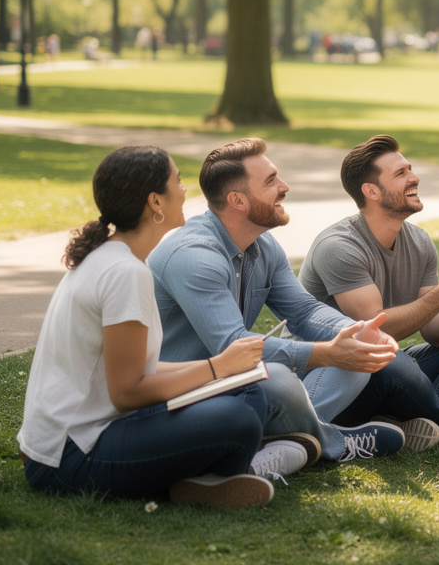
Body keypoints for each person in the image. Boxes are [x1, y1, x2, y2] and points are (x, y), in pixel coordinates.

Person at [19, 146, 301, 508]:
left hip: (89, 434)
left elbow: (136, 371)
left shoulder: (113, 257)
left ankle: (208, 479)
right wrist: (216, 368)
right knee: (239, 416)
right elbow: (128, 391)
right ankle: (222, 477)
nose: (185, 191)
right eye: (178, 181)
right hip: (69, 458)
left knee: (244, 392)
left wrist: (227, 369)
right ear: (155, 202)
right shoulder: (125, 272)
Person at [148, 138, 408, 462]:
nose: (284, 187)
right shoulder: (194, 256)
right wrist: (326, 353)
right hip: (179, 390)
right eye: (271, 181)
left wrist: (356, 332)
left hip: (233, 382)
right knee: (283, 377)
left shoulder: (263, 245)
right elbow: (232, 346)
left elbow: (304, 311)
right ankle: (331, 442)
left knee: (353, 351)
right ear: (238, 200)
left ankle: (290, 436)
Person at [298, 135, 439, 441]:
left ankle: (407, 417)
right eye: (400, 174)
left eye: (410, 169)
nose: (414, 177)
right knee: (393, 358)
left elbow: (435, 333)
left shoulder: (419, 241)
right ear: (371, 191)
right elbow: (373, 331)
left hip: (379, 365)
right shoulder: (338, 247)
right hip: (331, 376)